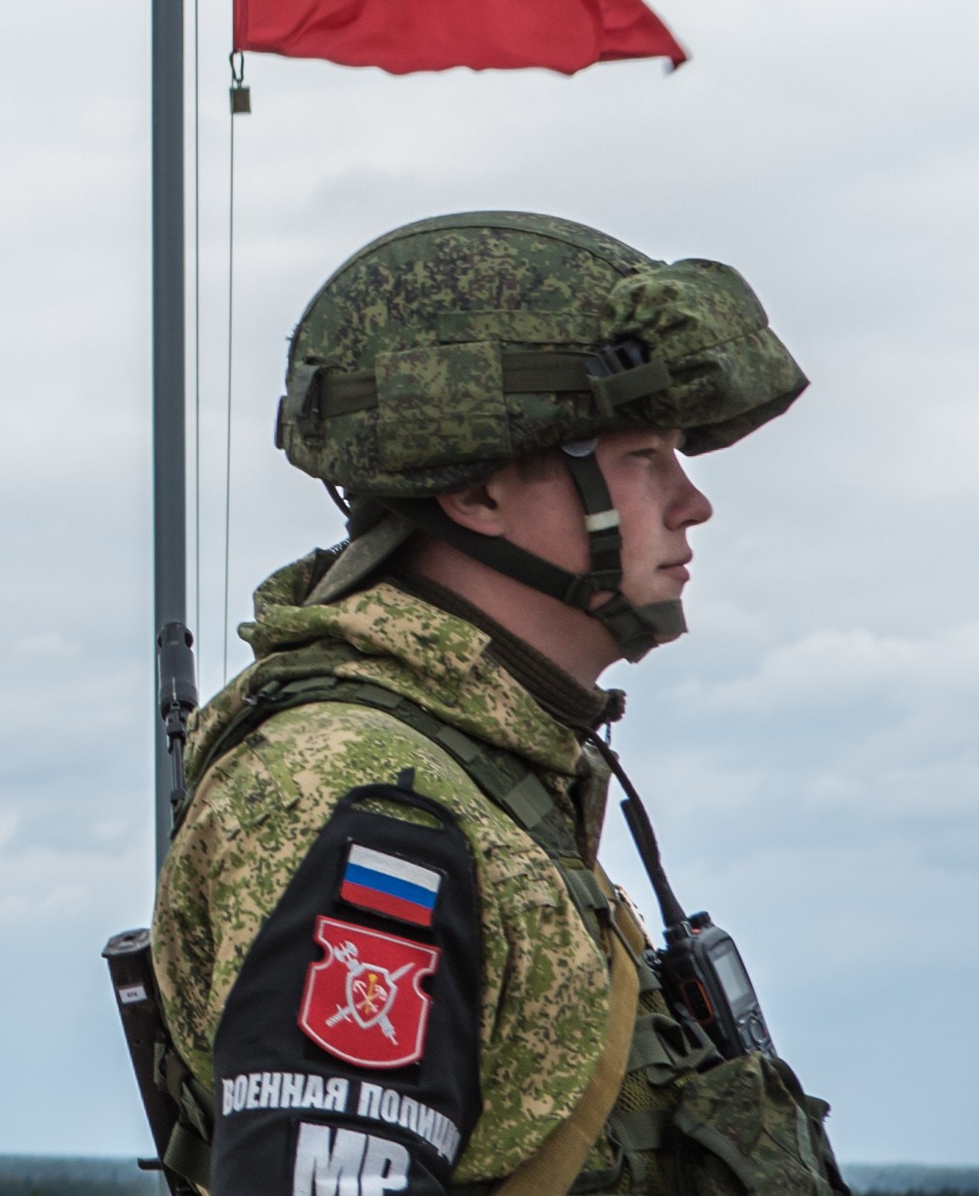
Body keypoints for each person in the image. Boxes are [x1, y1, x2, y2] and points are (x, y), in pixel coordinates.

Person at [141, 213, 847, 1196]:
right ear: (479, 492)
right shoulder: (355, 792)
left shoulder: (492, 771)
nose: (691, 503)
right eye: (642, 458)